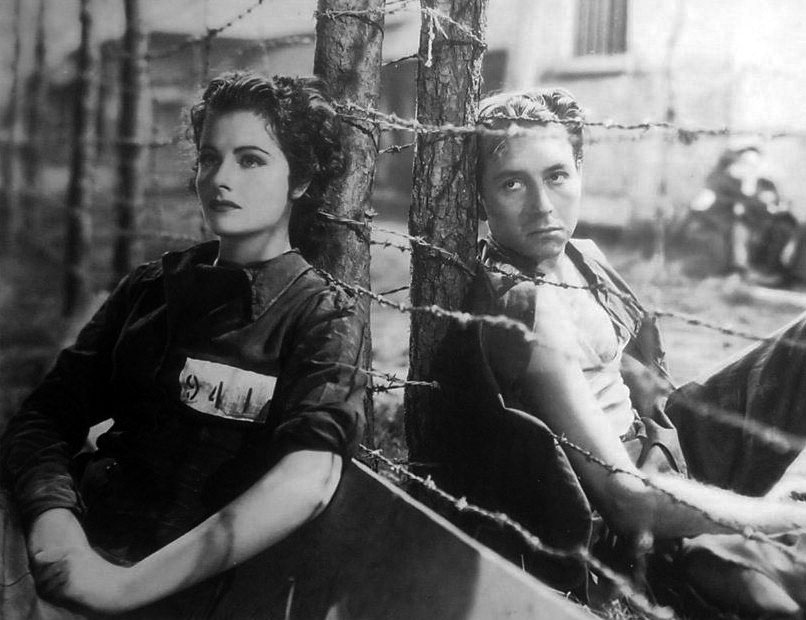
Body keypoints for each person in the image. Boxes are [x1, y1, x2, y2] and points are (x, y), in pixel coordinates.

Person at [0, 72, 367, 617]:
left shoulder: (319, 314)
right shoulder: (152, 289)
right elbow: (45, 415)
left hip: (183, 591)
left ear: (302, 180)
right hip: (73, 546)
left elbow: (309, 480)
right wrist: (55, 521)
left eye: (251, 160)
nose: (220, 179)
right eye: (209, 158)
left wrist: (120, 588)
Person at [433, 88, 806, 617]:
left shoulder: (581, 256)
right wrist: (784, 518)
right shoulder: (524, 308)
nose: (542, 206)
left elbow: (642, 382)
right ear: (479, 197)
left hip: (661, 443)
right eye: (512, 183)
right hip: (626, 517)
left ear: (579, 172)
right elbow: (624, 501)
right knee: (763, 579)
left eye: (557, 176)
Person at [688, 144, 799, 283]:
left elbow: (774, 203)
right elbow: (703, 203)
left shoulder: (764, 183)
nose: (750, 167)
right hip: (736, 222)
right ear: (737, 162)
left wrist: (774, 206)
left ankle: (772, 270)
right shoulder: (723, 180)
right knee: (739, 227)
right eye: (746, 162)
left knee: (785, 224)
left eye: (755, 163)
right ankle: (743, 269)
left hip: (762, 221)